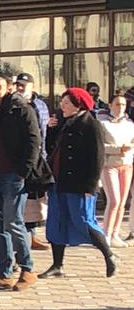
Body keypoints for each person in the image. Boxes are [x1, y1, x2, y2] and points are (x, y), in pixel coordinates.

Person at [0, 70, 45, 291]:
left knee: (13, 222)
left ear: (0, 87)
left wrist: (23, 172)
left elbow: (34, 142)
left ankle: (27, 269)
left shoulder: (21, 109)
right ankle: (4, 273)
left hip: (13, 175)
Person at [41, 88, 115, 279]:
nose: (62, 106)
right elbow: (51, 149)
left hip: (79, 183)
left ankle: (108, 254)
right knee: (56, 221)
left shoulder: (91, 124)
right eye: (62, 102)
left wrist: (91, 185)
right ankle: (57, 264)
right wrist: (51, 130)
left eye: (66, 103)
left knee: (83, 220)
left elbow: (97, 157)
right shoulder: (62, 122)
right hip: (58, 181)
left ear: (78, 105)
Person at [98, 94, 134, 245]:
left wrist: (129, 149)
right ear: (110, 105)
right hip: (109, 165)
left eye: (123, 105)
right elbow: (99, 145)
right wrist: (118, 149)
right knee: (114, 200)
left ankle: (115, 234)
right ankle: (106, 234)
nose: (121, 108)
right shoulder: (103, 123)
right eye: (117, 104)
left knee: (122, 202)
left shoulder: (129, 124)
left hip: (126, 164)